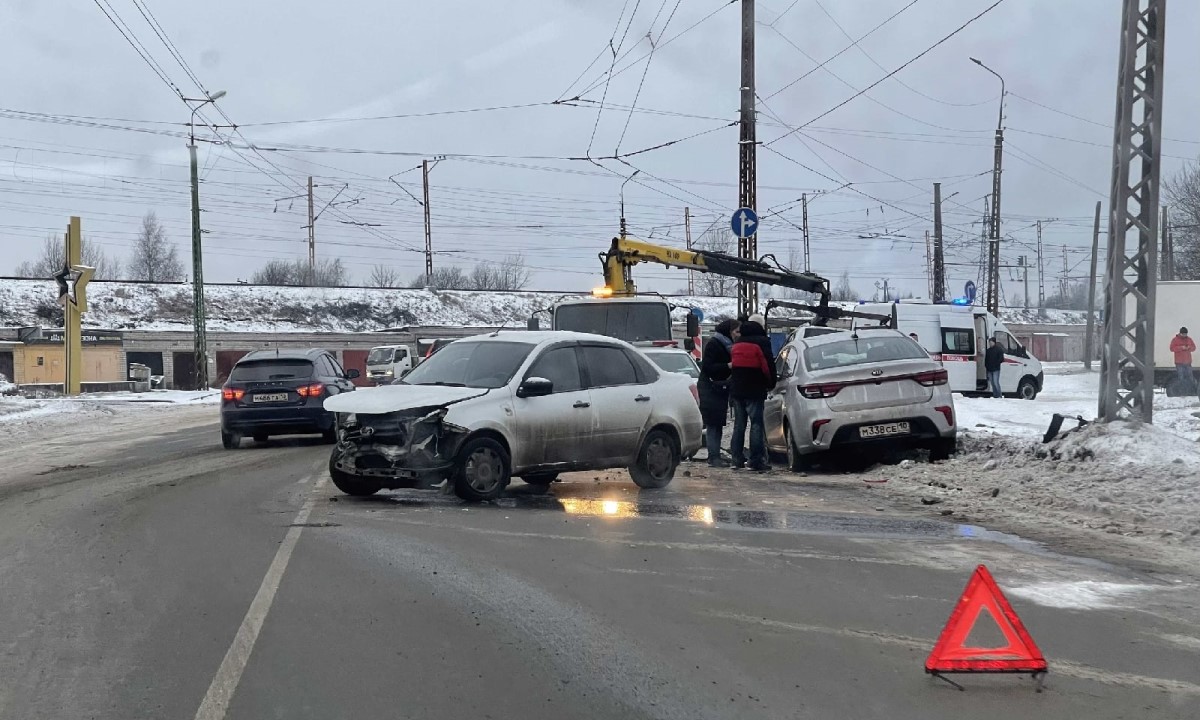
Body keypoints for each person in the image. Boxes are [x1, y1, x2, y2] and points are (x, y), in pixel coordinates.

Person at [729, 319, 776, 472]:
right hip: (755, 389)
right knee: (756, 424)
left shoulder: (737, 344)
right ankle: (755, 460)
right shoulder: (762, 343)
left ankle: (736, 459)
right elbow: (767, 366)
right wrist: (771, 383)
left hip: (737, 390)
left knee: (739, 425)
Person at [698, 319, 740, 468]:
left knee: (718, 423)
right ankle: (713, 456)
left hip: (719, 388)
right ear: (729, 331)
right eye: (736, 331)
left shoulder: (726, 345)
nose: (738, 334)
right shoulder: (715, 344)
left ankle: (715, 455)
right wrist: (728, 366)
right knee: (713, 424)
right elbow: (708, 367)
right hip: (710, 388)